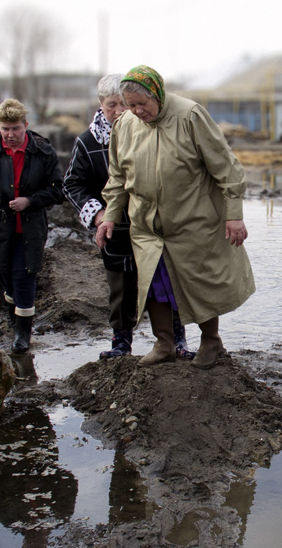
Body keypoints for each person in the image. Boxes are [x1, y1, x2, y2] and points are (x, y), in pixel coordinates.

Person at [98, 65, 254, 369]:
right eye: (130, 105)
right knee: (154, 284)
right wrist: (109, 217)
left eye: (142, 104)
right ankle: (164, 343)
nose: (137, 111)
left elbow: (227, 167)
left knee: (201, 281)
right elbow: (117, 177)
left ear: (158, 94)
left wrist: (233, 215)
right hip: (147, 226)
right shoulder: (125, 125)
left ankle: (211, 341)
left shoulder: (190, 116)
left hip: (192, 221)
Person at [62, 73, 194, 360]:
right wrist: (97, 215)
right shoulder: (87, 142)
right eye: (112, 105)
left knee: (166, 282)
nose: (120, 112)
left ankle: (177, 341)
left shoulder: (148, 131)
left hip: (153, 225)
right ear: (101, 105)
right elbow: (72, 183)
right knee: (121, 290)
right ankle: (121, 344)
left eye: (124, 104)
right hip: (115, 228)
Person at [0, 98, 63, 354]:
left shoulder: (42, 151)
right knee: (6, 276)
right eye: (5, 129)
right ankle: (14, 316)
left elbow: (57, 190)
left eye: (16, 129)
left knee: (24, 276)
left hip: (30, 228)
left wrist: (30, 201)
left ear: (26, 125)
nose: (10, 135)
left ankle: (23, 334)